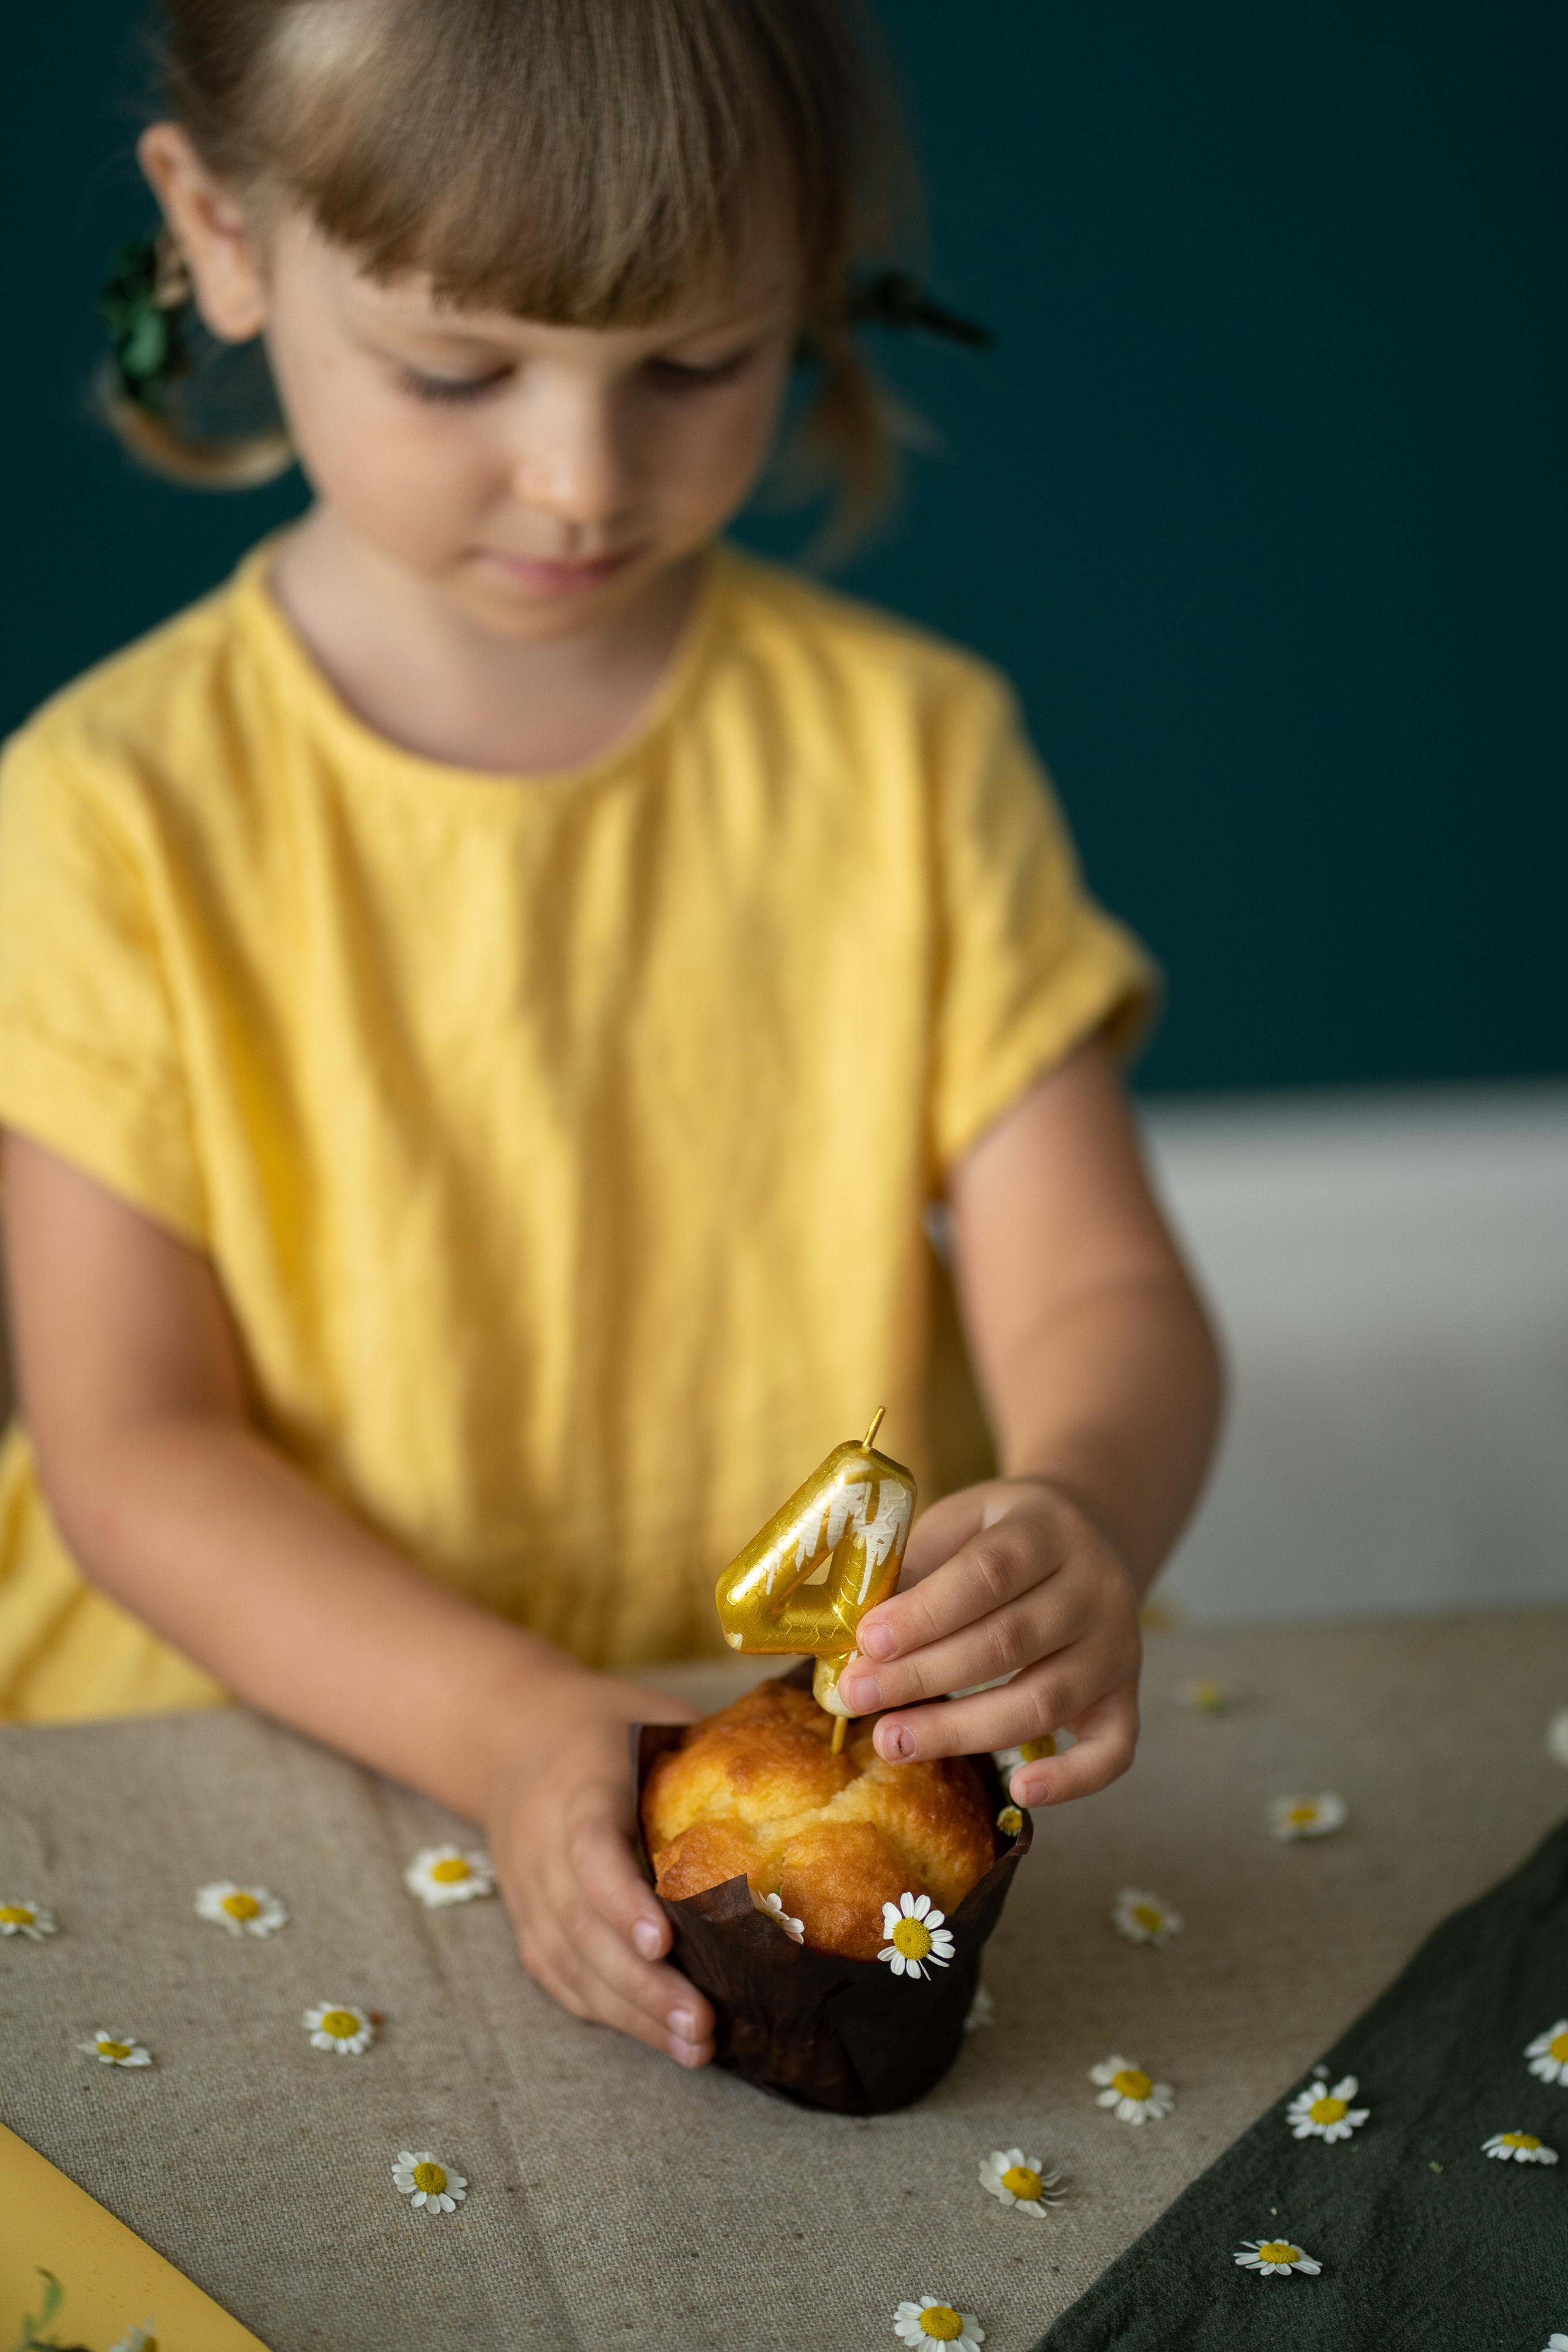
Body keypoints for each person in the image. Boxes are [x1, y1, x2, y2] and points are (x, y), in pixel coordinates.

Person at [0, 0, 1221, 2071]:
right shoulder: (105, 815)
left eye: (694, 363)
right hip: (260, 1744)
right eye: (456, 368)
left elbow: (1101, 1281)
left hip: (793, 1791)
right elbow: (133, 1451)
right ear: (220, 234)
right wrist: (508, 1728)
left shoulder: (910, 760)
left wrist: (1086, 1507)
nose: (581, 476)